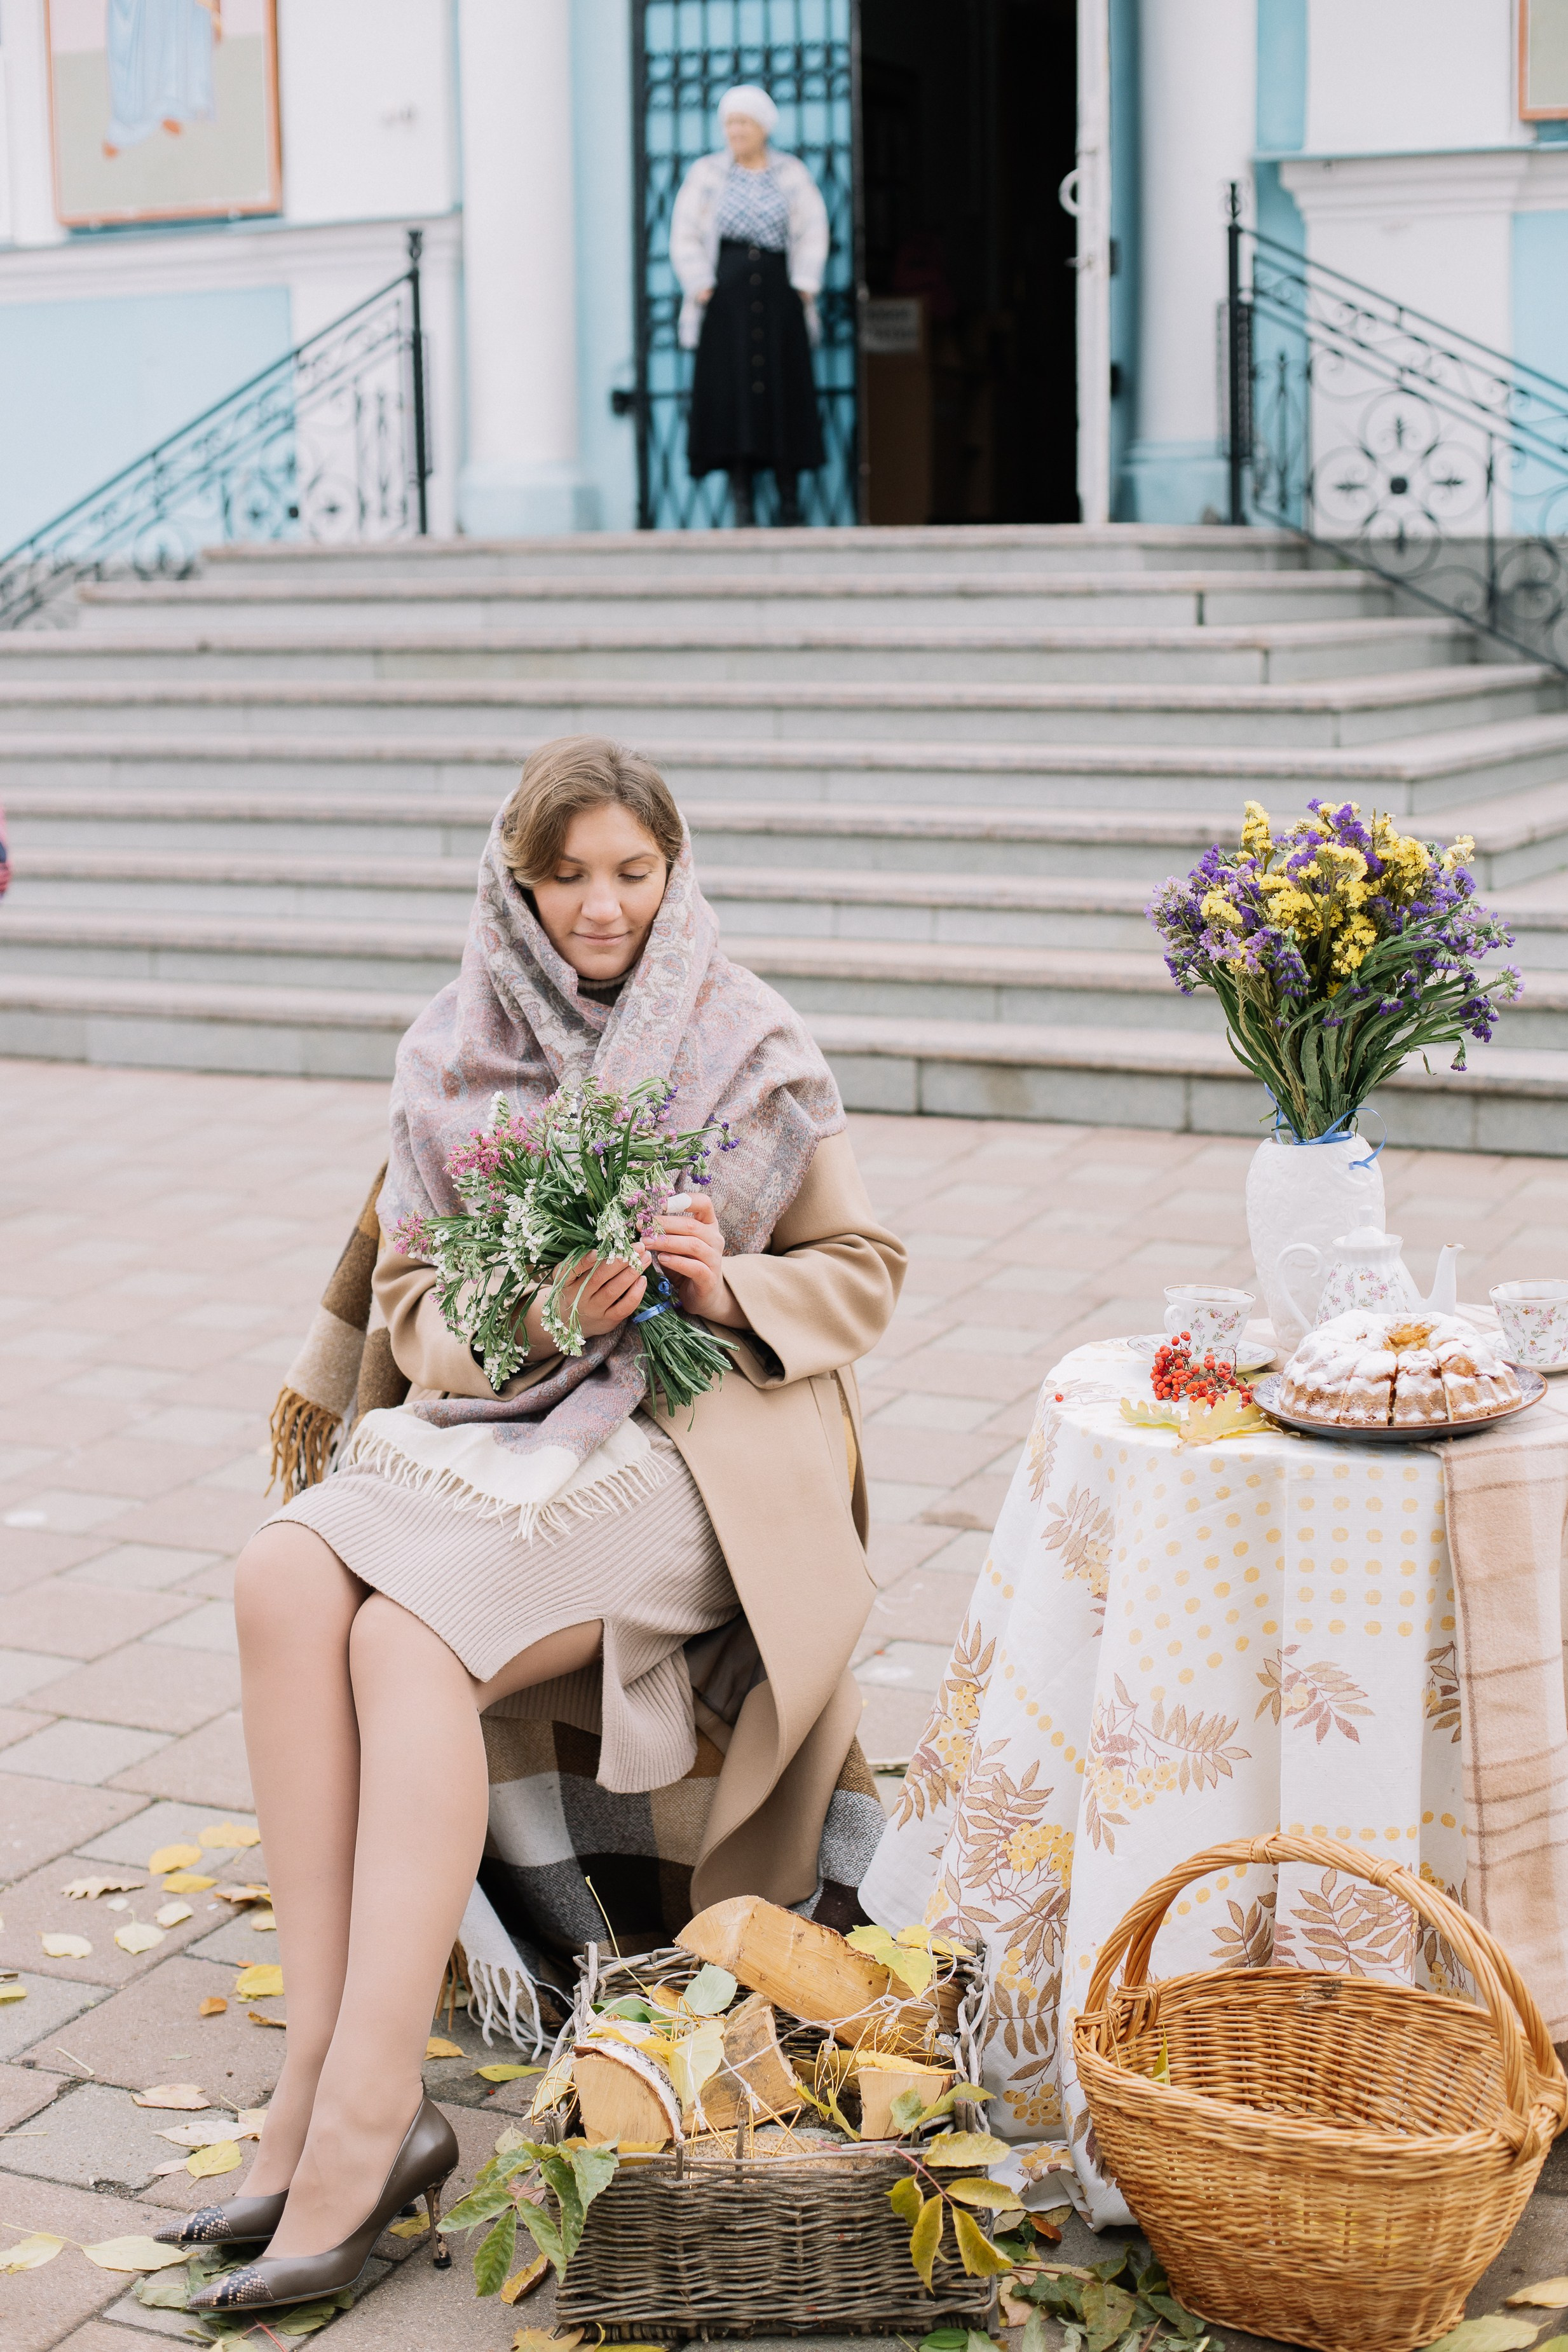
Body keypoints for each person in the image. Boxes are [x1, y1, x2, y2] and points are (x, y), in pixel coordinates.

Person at [168, 735, 905, 2315]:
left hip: (696, 1450)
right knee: (285, 1572)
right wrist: (523, 1315)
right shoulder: (451, 1047)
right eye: (566, 873)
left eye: (629, 870)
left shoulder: (750, 1036)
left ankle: (372, 2124)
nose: (600, 904)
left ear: (671, 870)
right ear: (518, 883)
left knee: (408, 1633)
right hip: (500, 1425)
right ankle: (316, 2077)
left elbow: (863, 1272)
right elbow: (421, 1315)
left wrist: (723, 1282)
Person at [670, 85, 829, 525]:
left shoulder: (791, 174)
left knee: (783, 390)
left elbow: (813, 228)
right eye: (730, 124)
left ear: (762, 128)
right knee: (732, 393)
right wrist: (701, 283)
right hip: (727, 302)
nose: (735, 132)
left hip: (779, 298)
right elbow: (684, 231)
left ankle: (789, 498)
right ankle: (742, 503)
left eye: (743, 123)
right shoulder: (706, 174)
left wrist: (804, 285)